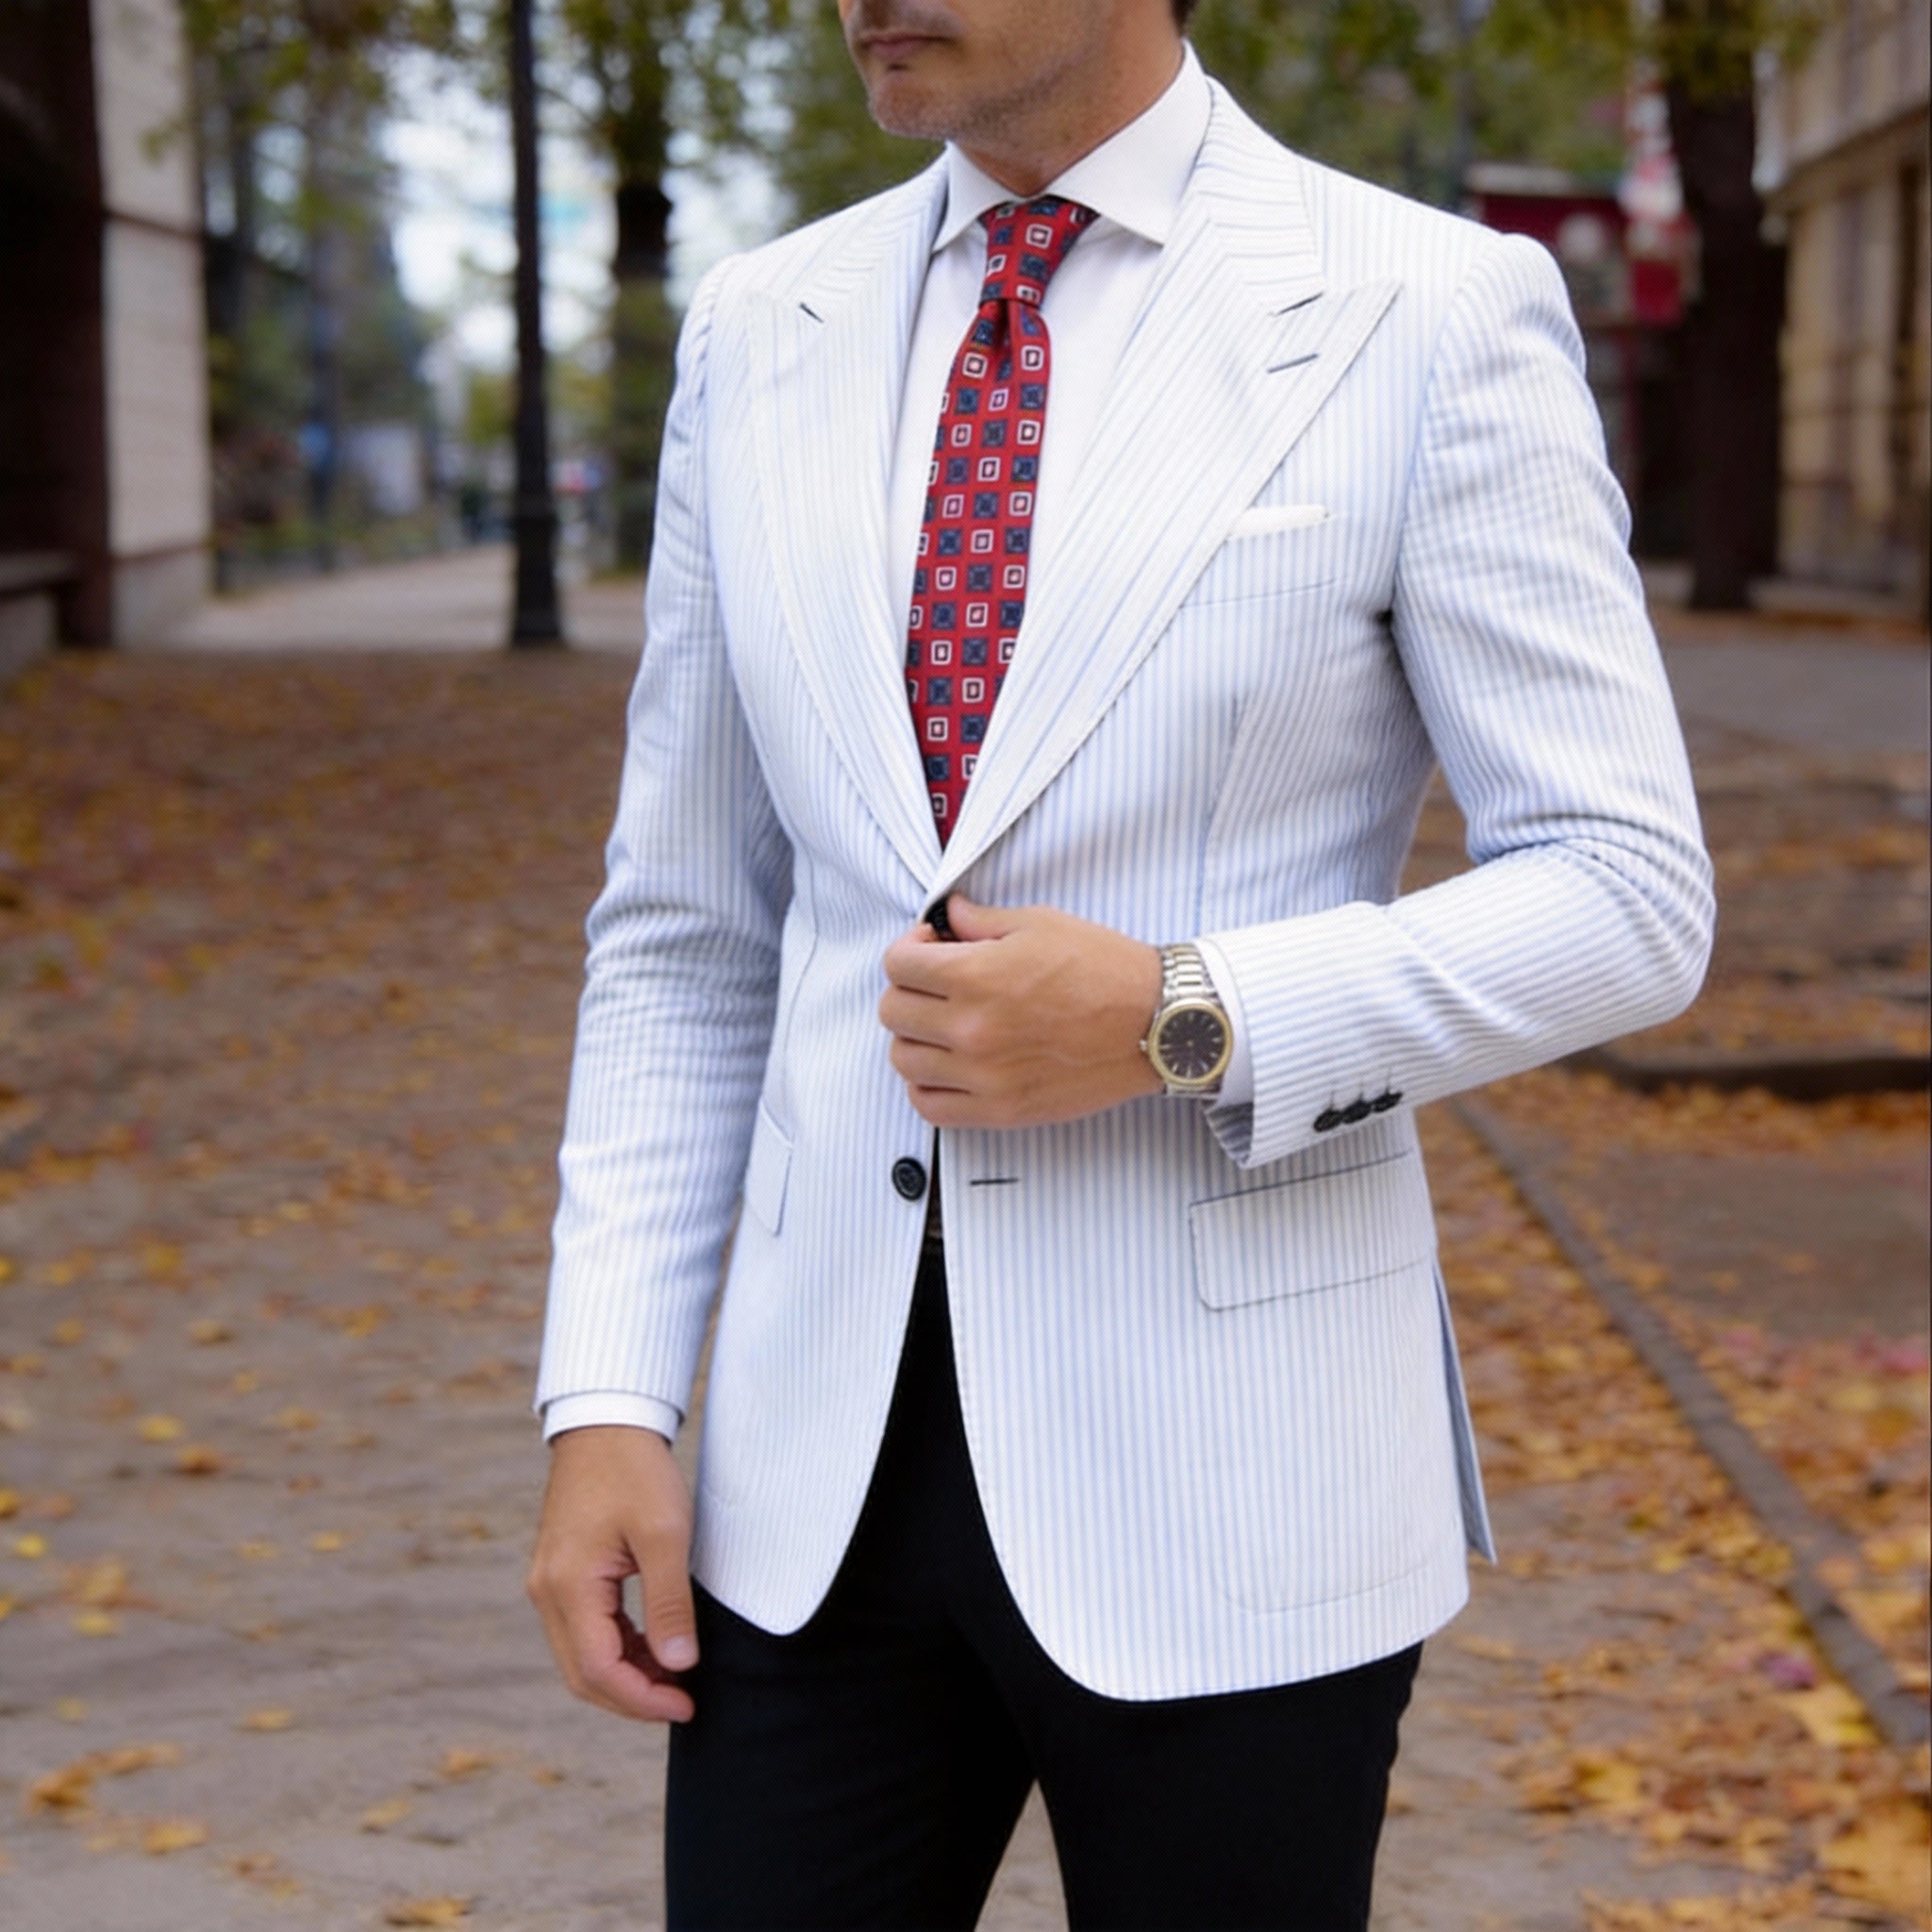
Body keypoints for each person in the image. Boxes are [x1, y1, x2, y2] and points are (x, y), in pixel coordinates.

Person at [525, 1, 1715, 1924]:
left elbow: (1626, 888)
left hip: (1234, 1477)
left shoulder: (1423, 310)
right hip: (805, 1483)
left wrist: (1188, 1012)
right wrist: (607, 1401)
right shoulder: (764, 327)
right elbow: (685, 932)